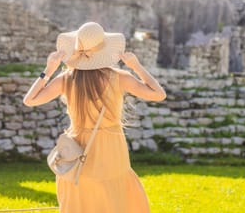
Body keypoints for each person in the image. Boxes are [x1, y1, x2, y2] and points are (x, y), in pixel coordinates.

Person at [23, 22, 166, 213]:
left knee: (81, 198)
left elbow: (30, 100)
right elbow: (159, 94)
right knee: (113, 198)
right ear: (104, 50)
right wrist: (136, 66)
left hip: (77, 146)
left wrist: (48, 70)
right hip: (111, 147)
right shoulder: (118, 77)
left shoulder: (66, 78)